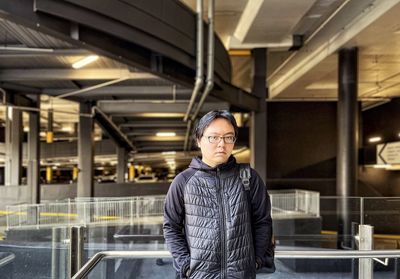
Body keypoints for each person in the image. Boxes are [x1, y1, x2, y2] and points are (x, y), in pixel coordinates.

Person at [163, 110, 273, 279]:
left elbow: (263, 222)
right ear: (199, 140)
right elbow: (171, 227)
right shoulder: (184, 181)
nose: (222, 144)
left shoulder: (249, 178)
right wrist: (186, 265)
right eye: (214, 137)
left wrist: (255, 260)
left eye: (228, 137)